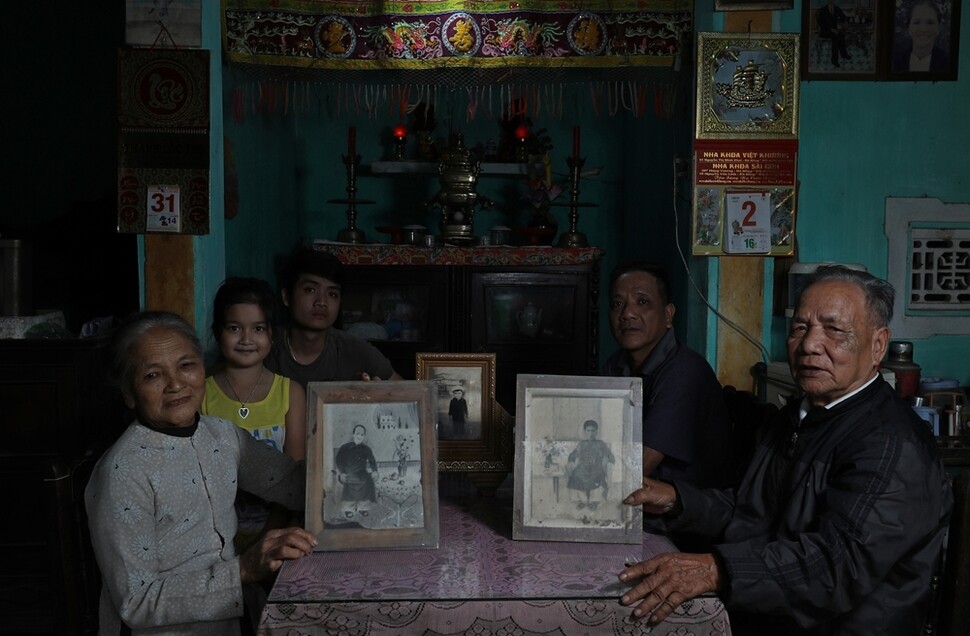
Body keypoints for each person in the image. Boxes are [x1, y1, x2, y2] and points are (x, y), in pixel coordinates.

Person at [616, 266, 953, 635]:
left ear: (877, 345)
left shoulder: (890, 444)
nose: (810, 344)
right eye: (800, 328)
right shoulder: (798, 416)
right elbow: (750, 512)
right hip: (769, 618)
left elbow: (835, 566)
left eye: (834, 330)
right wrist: (677, 500)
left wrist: (716, 570)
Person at [85, 311, 316, 635]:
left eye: (186, 365)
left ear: (203, 368)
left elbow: (294, 485)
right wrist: (243, 571)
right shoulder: (123, 473)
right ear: (128, 392)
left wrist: (361, 420)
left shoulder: (222, 435)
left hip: (233, 620)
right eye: (153, 375)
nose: (176, 384)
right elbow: (135, 602)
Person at [602, 261, 733, 489]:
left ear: (668, 314)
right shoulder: (615, 365)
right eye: (617, 303)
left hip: (684, 508)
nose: (627, 313)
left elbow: (639, 467)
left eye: (642, 302)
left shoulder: (685, 371)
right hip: (636, 492)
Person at [202, 277, 308, 551]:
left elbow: (294, 477)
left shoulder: (290, 393)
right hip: (214, 539)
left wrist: (268, 539)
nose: (246, 339)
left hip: (279, 532)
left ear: (271, 334)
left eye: (258, 328)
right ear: (218, 332)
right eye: (234, 328)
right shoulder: (201, 395)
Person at [264, 245, 403, 387]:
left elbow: (409, 394)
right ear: (286, 297)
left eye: (332, 294)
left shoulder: (355, 350)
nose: (322, 302)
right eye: (310, 290)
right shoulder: (264, 347)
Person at [565, 419, 616, 510]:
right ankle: (581, 501)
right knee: (575, 476)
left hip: (596, 468)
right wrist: (571, 460)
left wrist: (609, 460)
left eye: (593, 431)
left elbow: (610, 455)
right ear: (585, 432)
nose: (590, 433)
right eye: (588, 431)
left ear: (596, 432)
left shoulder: (601, 444)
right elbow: (574, 454)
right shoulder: (581, 444)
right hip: (582, 468)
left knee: (597, 478)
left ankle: (594, 502)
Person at [334, 424, 379, 517]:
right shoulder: (345, 447)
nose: (360, 436)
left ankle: (363, 508)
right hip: (348, 472)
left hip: (362, 472)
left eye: (362, 435)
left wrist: (374, 471)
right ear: (353, 434)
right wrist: (341, 472)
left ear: (364, 436)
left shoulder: (366, 449)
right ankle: (349, 509)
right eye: (358, 434)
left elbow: (372, 461)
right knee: (351, 484)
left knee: (367, 481)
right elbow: (338, 460)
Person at [892, 0, 949, 72]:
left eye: (930, 23)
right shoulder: (895, 61)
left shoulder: (947, 63)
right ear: (908, 27)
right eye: (917, 22)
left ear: (938, 28)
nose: (923, 29)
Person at [816, 0, 851, 68]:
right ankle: (834, 60)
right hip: (825, 31)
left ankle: (844, 54)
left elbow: (843, 16)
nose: (830, 1)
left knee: (841, 35)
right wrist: (831, 29)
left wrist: (845, 21)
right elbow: (821, 23)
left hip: (835, 30)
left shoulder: (837, 9)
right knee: (836, 38)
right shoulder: (823, 10)